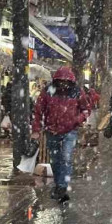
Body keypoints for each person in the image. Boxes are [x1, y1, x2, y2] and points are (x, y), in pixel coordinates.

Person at [31, 67, 90, 202]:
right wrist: (36, 129)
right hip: (52, 130)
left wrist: (77, 120)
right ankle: (60, 186)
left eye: (65, 81)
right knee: (55, 160)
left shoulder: (77, 92)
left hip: (70, 130)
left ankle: (62, 186)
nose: (63, 84)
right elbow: (39, 110)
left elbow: (85, 109)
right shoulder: (49, 91)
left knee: (66, 158)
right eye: (60, 81)